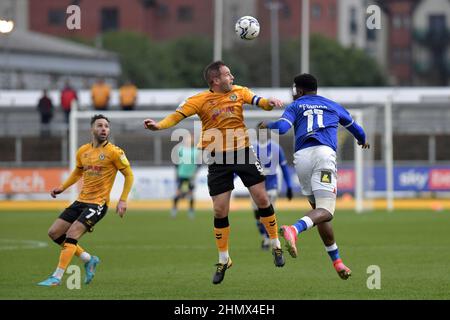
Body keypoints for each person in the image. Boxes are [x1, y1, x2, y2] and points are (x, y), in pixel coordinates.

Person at [144, 61, 285, 285]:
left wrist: (271, 103)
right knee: (220, 210)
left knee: (262, 198)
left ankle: (276, 245)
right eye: (228, 74)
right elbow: (176, 116)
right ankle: (224, 259)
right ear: (215, 80)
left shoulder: (240, 91)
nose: (232, 77)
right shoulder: (199, 100)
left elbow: (260, 102)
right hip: (217, 158)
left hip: (243, 152)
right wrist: (159, 126)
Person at [259, 73, 370, 280]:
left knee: (319, 213)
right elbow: (358, 130)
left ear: (299, 91)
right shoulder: (333, 105)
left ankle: (337, 262)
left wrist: (269, 124)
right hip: (323, 155)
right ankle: (294, 229)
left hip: (301, 158)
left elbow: (282, 129)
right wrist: (362, 141)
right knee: (326, 211)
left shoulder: (295, 106)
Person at [37, 114, 134, 286]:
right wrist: (62, 188)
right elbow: (77, 172)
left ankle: (56, 277)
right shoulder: (83, 151)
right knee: (54, 233)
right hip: (81, 201)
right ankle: (88, 259)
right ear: (92, 129)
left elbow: (129, 175)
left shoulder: (114, 152)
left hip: (98, 204)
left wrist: (123, 200)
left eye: (106, 126)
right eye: (100, 125)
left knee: (72, 234)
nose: (104, 129)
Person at [252, 128, 293, 250]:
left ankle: (267, 238)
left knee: (267, 211)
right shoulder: (252, 148)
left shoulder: (276, 148)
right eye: (261, 131)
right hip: (256, 185)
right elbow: (243, 167)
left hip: (272, 184)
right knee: (257, 215)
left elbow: (284, 167)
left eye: (266, 131)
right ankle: (266, 236)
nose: (264, 133)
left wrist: (289, 186)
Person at [172, 133, 199, 219]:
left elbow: (198, 163)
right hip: (181, 174)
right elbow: (176, 163)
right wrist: (176, 173)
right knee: (178, 193)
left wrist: (195, 172)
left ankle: (191, 211)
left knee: (190, 194)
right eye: (188, 139)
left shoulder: (196, 150)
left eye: (191, 139)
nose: (190, 140)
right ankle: (174, 209)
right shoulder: (181, 149)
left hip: (190, 175)